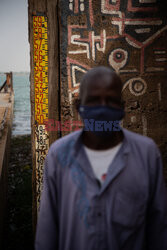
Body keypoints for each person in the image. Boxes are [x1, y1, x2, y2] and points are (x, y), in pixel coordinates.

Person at [35, 66, 167, 250]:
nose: (102, 108)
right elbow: (47, 231)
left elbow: (159, 230)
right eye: (94, 100)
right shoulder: (59, 156)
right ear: (78, 106)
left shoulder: (147, 154)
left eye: (111, 101)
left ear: (122, 108)